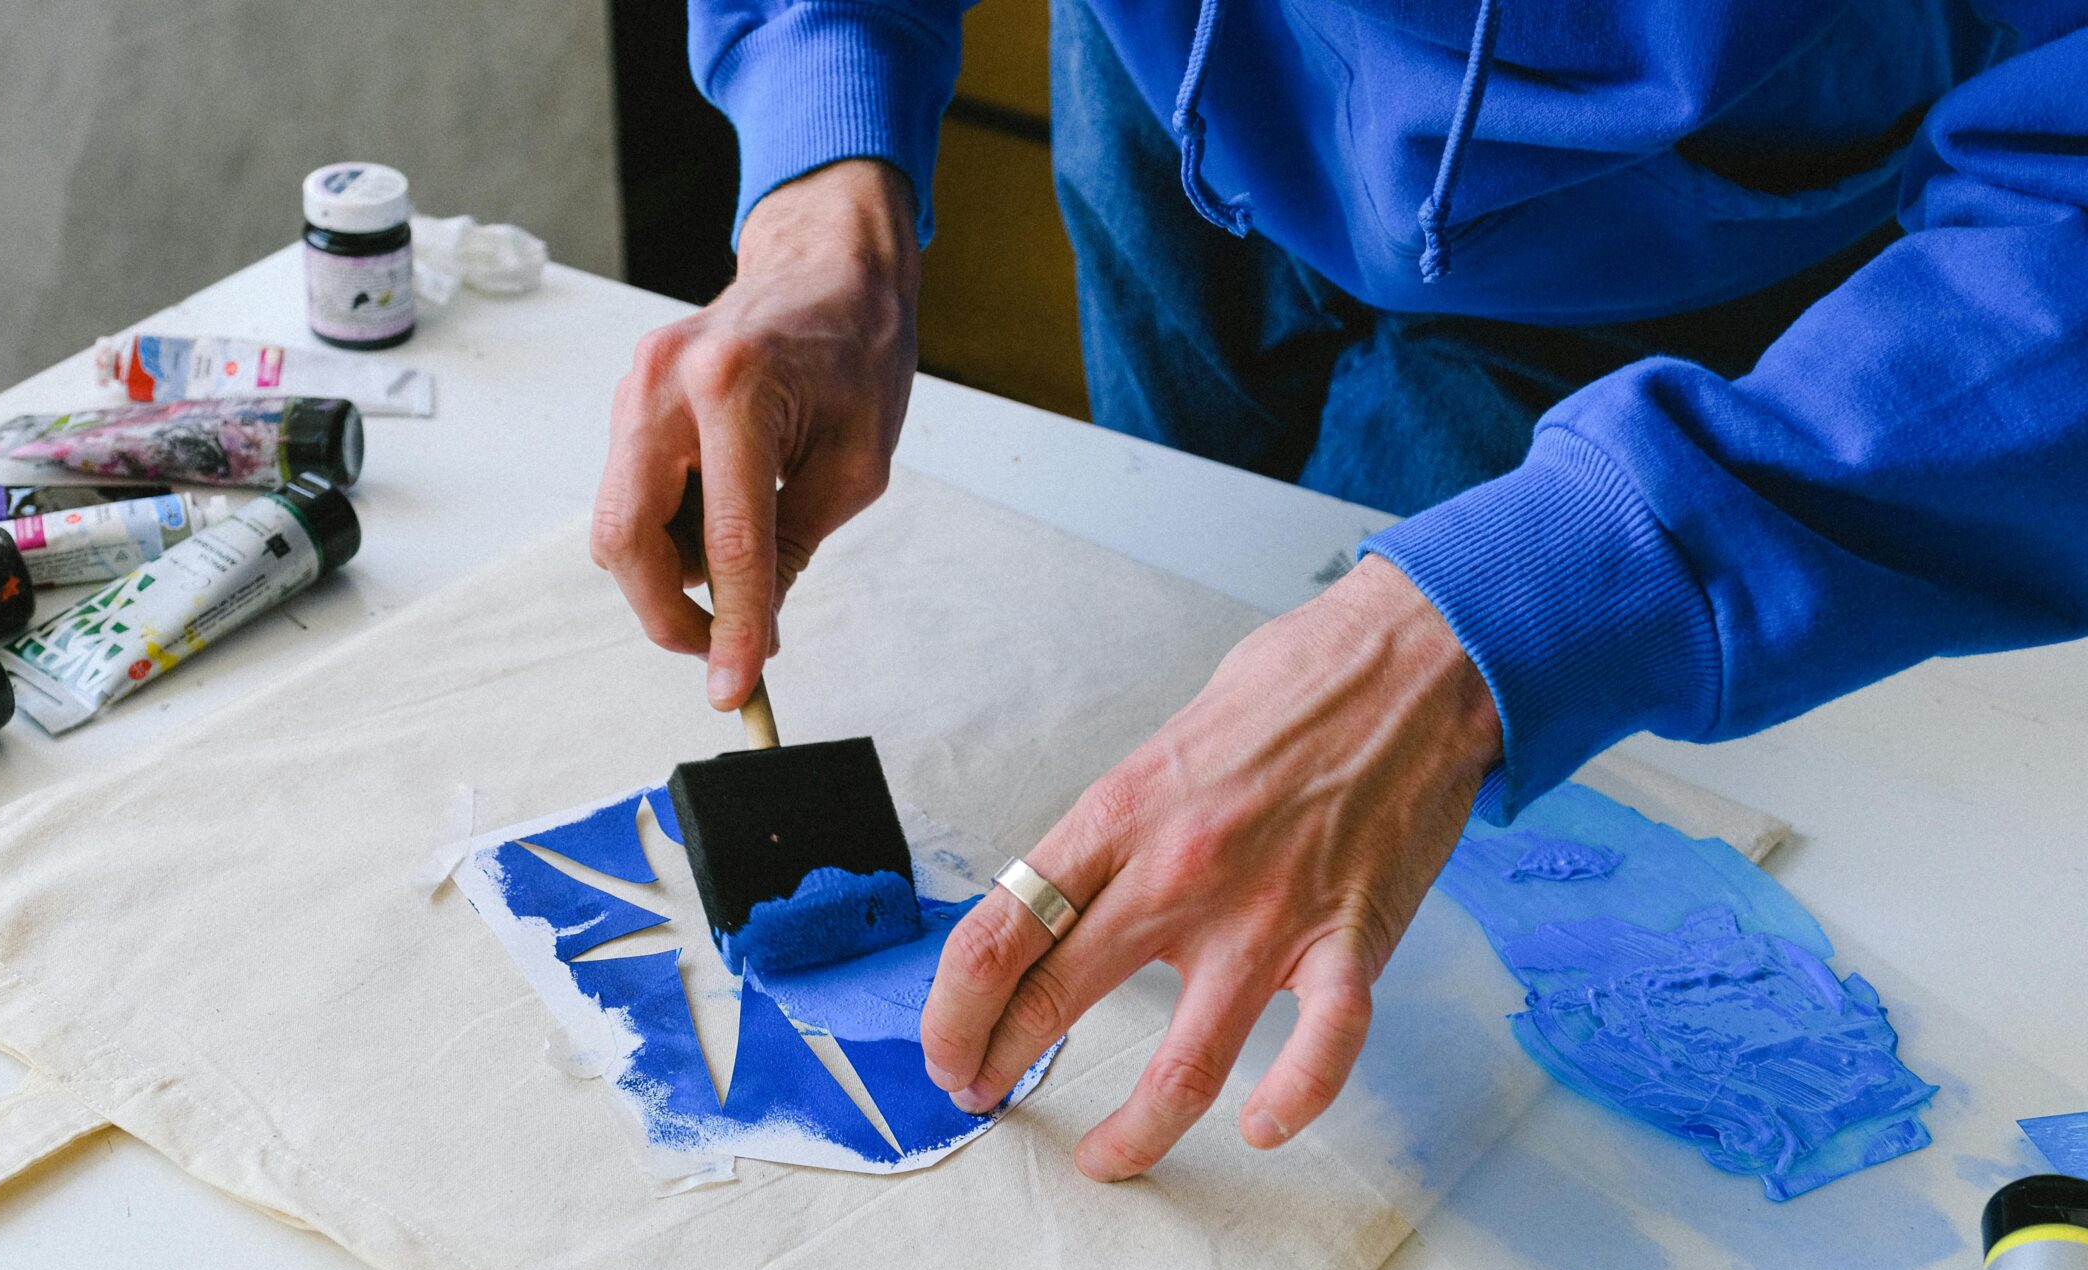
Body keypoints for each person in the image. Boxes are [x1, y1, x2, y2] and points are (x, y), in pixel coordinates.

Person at [589, 0, 2088, 1183]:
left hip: (1677, 264)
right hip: (1172, 84)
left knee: (1400, 994)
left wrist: (1514, 610)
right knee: (1197, 688)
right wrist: (820, 148)